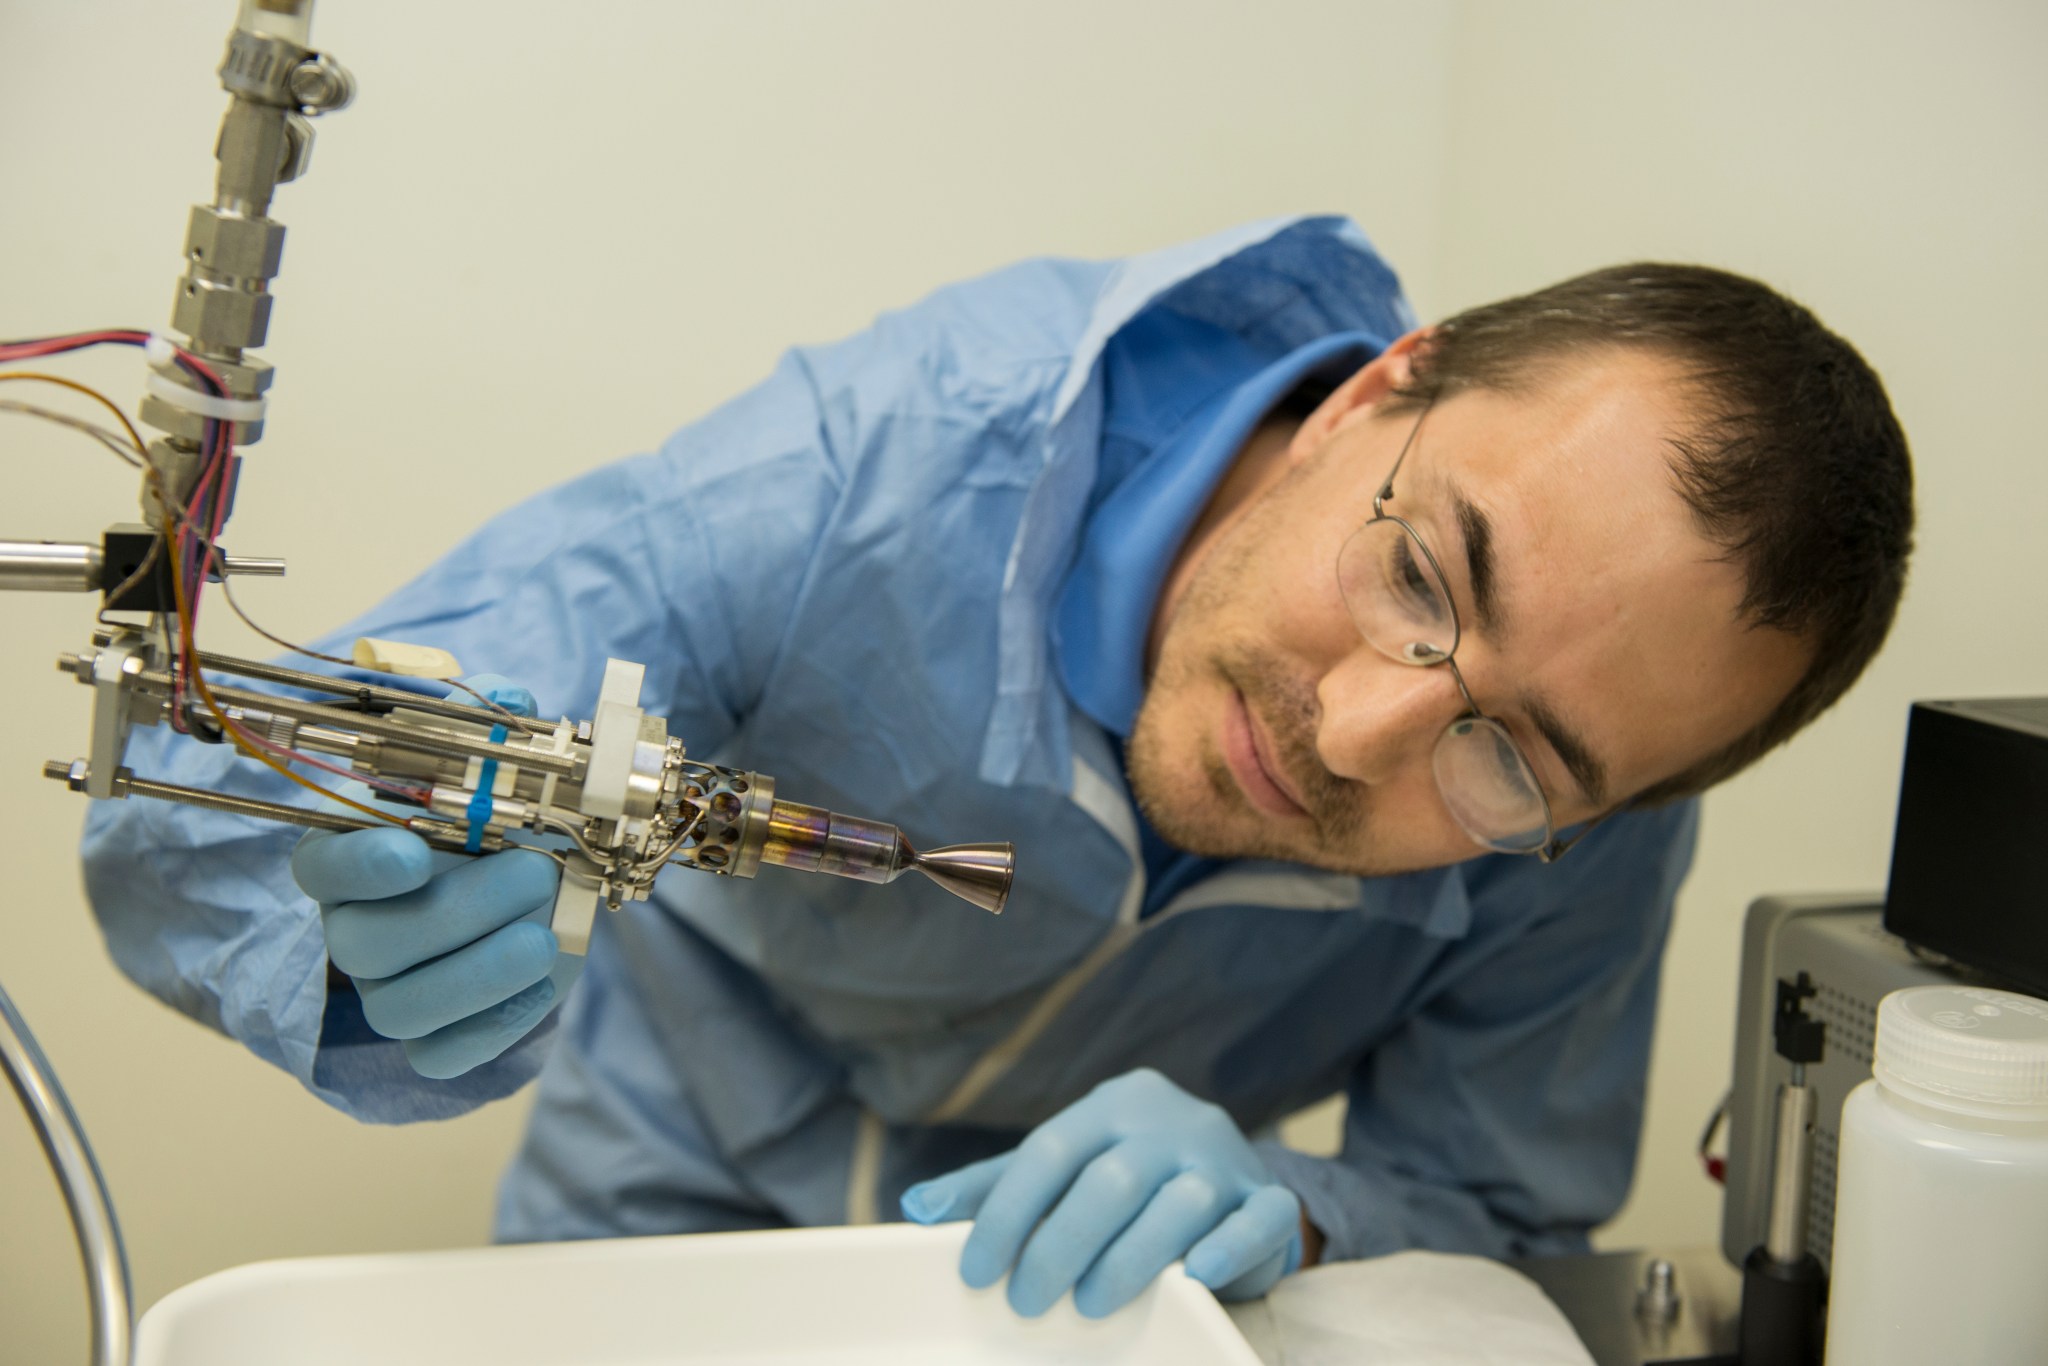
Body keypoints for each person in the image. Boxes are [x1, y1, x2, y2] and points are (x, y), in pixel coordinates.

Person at [83, 215, 1914, 1319]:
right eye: (1421, 575)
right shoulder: (871, 477)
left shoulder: (1595, 822)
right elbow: (211, 759)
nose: (1353, 736)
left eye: (1508, 760)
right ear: (1378, 388)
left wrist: (1303, 1206)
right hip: (677, 1166)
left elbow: (1497, 1204)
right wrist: (362, 900)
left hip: (1099, 1302)